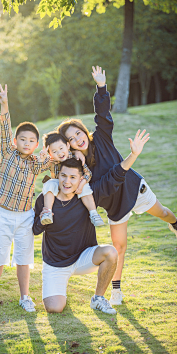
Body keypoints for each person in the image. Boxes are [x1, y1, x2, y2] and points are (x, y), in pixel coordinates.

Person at [58, 65, 177, 306]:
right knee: (118, 247)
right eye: (71, 139)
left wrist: (101, 87)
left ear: (84, 131)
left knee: (164, 213)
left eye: (78, 133)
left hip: (134, 189)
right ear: (68, 145)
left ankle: (175, 224)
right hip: (115, 206)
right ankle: (116, 291)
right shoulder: (77, 170)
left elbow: (103, 115)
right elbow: (101, 189)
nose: (77, 139)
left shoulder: (101, 137)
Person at [33, 130, 150, 314]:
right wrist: (43, 221)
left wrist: (133, 154)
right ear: (58, 175)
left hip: (82, 257)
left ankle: (98, 298)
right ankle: (59, 290)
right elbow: (35, 230)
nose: (67, 182)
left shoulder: (88, 195)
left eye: (73, 177)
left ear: (81, 178)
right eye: (63, 176)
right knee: (55, 308)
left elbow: (116, 175)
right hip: (55, 263)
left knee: (111, 252)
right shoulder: (46, 197)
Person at [0, 84, 49, 314]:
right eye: (23, 139)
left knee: (23, 258)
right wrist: (4, 103)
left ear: (36, 145)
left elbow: (54, 157)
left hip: (26, 217)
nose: (27, 143)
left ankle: (25, 297)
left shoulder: (36, 162)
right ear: (16, 141)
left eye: (31, 141)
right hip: (3, 216)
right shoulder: (8, 152)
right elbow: (4, 127)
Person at [40, 131, 104, 227]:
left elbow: (88, 173)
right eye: (54, 151)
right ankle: (47, 212)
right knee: (49, 183)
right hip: (59, 185)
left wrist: (81, 184)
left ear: (68, 146)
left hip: (75, 184)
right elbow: (39, 169)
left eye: (61, 148)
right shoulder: (51, 161)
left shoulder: (76, 157)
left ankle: (94, 214)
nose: (60, 153)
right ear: (50, 153)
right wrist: (42, 159)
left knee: (85, 186)